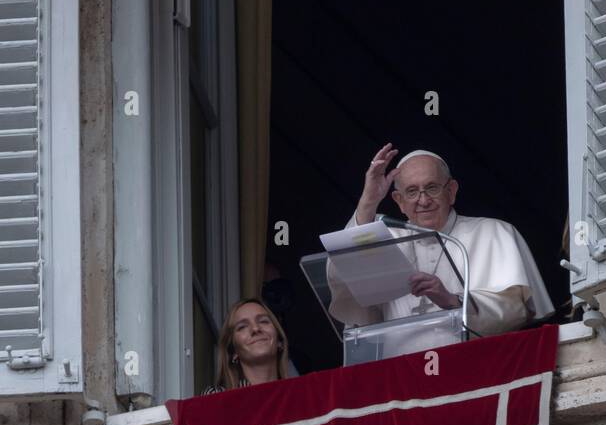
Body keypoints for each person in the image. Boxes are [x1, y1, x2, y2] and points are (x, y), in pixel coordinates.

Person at [327, 144, 554, 340]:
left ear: (451, 191)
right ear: (399, 201)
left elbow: (515, 309)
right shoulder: (385, 241)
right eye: (412, 191)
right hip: (398, 373)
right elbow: (343, 280)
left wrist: (453, 302)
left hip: (473, 368)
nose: (423, 200)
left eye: (432, 188)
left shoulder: (492, 231)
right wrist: (369, 202)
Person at [204, 297, 299, 394]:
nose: (255, 329)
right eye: (242, 327)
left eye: (263, 321)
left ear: (279, 341)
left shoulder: (298, 394)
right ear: (233, 351)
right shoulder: (217, 396)